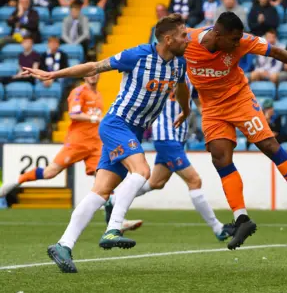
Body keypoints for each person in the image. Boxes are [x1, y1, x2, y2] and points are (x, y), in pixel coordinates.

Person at [21, 14, 191, 273]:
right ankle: (113, 228)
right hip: (117, 124)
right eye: (183, 36)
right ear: (168, 39)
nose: (187, 39)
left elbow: (181, 88)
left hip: (133, 131)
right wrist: (53, 74)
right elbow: (94, 67)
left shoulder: (179, 64)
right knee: (142, 171)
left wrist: (186, 109)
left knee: (100, 191)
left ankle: (63, 245)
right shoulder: (138, 56)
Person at [183, 11, 287, 249]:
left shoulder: (243, 41)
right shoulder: (188, 41)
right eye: (233, 40)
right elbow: (163, 47)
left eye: (239, 39)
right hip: (212, 109)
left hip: (239, 100)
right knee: (220, 158)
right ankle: (242, 218)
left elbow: (278, 52)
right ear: (218, 34)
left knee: (267, 145)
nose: (238, 44)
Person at [0, 74, 146, 239]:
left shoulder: (98, 95)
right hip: (77, 143)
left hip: (95, 145)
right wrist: (93, 117)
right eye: (90, 74)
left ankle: (117, 222)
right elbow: (74, 114)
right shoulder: (78, 91)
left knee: (104, 181)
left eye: (96, 73)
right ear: (85, 77)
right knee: (50, 173)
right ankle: (15, 182)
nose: (93, 76)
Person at [104, 77, 234, 242]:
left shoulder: (190, 76)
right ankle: (218, 228)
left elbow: (198, 102)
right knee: (194, 181)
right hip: (166, 136)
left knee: (157, 183)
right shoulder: (165, 69)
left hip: (177, 138)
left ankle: (113, 200)